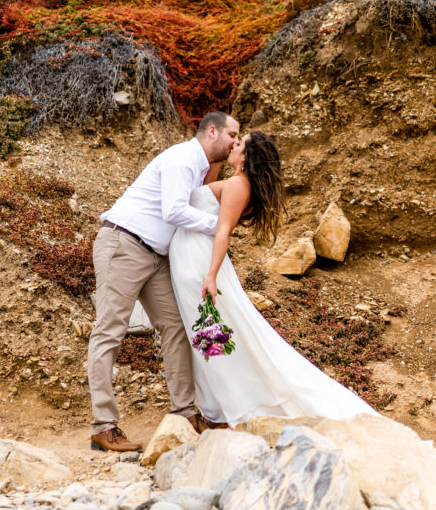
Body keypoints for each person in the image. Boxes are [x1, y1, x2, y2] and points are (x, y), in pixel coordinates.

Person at [168, 131, 380, 426]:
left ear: (247, 157)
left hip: (199, 262)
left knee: (212, 334)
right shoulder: (235, 182)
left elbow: (222, 232)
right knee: (210, 334)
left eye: (239, 144)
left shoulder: (238, 185)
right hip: (190, 257)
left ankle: (224, 405)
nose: (233, 145)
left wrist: (212, 275)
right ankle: (216, 404)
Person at [88, 110, 240, 452]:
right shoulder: (182, 159)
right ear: (212, 131)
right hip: (123, 244)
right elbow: (173, 211)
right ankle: (103, 427)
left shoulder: (200, 165)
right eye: (232, 135)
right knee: (109, 331)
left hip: (155, 256)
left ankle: (185, 413)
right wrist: (220, 227)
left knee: (176, 327)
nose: (235, 142)